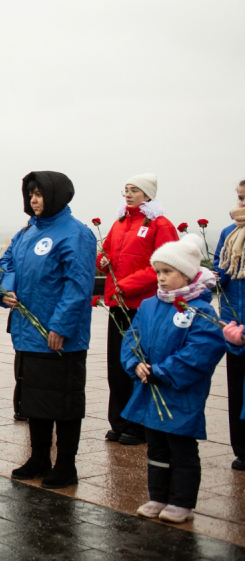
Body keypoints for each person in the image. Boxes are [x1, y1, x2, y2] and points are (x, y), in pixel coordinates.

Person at [0, 171, 96, 489]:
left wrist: (60, 326)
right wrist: (9, 289)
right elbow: (7, 262)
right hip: (28, 332)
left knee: (63, 403)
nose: (34, 199)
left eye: (40, 193)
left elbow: (78, 286)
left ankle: (66, 465)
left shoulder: (76, 234)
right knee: (35, 401)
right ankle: (39, 457)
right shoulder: (28, 231)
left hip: (58, 337)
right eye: (30, 193)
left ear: (57, 195)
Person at [121, 235, 225, 523]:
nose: (161, 279)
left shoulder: (201, 310)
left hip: (181, 392)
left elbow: (202, 351)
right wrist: (135, 363)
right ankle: (158, 495)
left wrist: (163, 372)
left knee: (181, 446)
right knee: (156, 445)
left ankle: (182, 501)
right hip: (151, 389)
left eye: (168, 272)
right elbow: (133, 337)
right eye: (158, 272)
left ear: (187, 274)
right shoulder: (149, 305)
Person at [97, 173, 179, 446]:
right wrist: (103, 260)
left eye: (134, 190)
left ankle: (139, 425)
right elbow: (105, 251)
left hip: (143, 305)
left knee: (138, 364)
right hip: (118, 303)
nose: (128, 194)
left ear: (148, 194)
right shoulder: (120, 223)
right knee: (117, 364)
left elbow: (165, 265)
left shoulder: (161, 224)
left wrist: (128, 285)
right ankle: (119, 421)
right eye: (126, 190)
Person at [215, 180, 245, 469]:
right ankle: (242, 448)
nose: (241, 204)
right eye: (240, 198)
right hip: (234, 323)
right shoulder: (228, 232)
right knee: (236, 386)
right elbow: (220, 268)